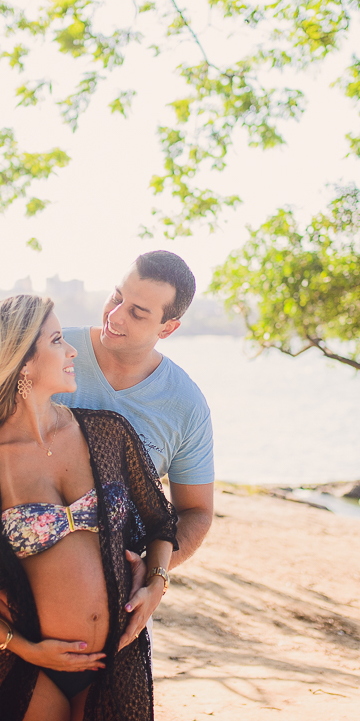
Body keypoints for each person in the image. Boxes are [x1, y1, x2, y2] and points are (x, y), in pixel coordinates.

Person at [0, 294, 178, 721]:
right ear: (23, 361)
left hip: (115, 659)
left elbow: (161, 522)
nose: (72, 351)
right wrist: (25, 648)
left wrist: (154, 585)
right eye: (57, 340)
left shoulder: (107, 433)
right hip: (25, 667)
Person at [53, 251, 213, 637]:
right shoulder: (50, 352)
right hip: (19, 576)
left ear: (168, 328)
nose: (115, 315)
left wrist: (154, 572)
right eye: (115, 296)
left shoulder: (186, 405)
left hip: (115, 600)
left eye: (138, 312)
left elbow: (195, 512)